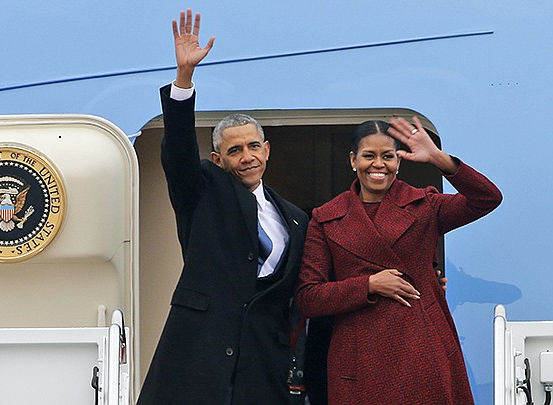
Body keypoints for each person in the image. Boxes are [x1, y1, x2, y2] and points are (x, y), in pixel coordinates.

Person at [136, 9, 309, 405]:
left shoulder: (296, 219)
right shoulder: (202, 190)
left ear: (266, 151)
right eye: (234, 150)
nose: (246, 156)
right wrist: (184, 81)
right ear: (218, 160)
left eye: (252, 146)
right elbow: (177, 155)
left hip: (262, 364)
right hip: (198, 356)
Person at [295, 117, 502, 404]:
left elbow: (487, 198)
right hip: (358, 359)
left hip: (421, 350)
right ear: (353, 160)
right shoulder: (326, 217)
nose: (378, 164)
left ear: (398, 162)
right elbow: (309, 298)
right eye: (369, 156)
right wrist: (369, 285)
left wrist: (438, 158)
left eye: (387, 156)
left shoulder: (425, 205)